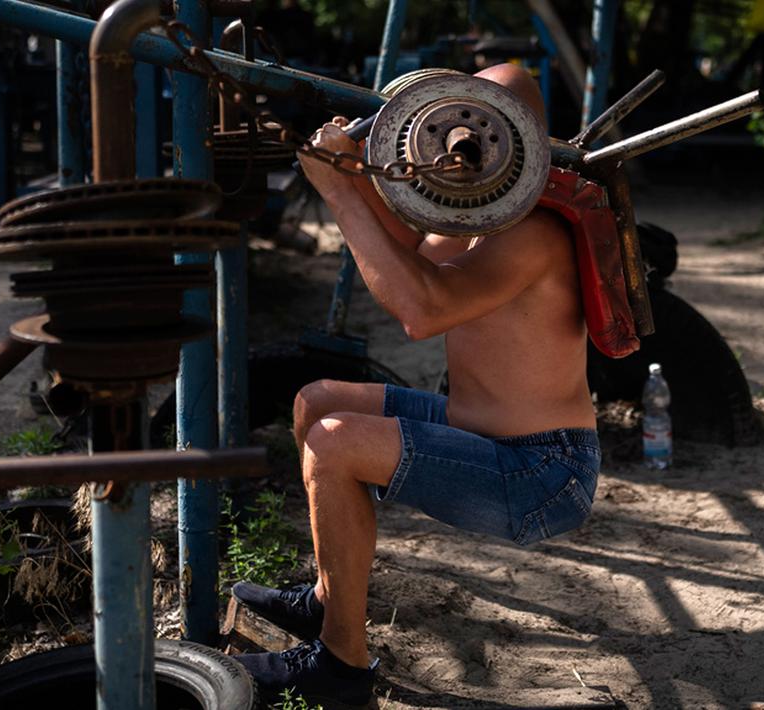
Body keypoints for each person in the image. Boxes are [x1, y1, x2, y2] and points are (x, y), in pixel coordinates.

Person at [233, 64, 601, 706]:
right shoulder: (482, 216)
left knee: (334, 443)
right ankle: (326, 599)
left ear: (516, 139)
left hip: (541, 472)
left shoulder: (533, 234)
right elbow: (404, 248)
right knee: (317, 402)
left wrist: (339, 192)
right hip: (480, 430)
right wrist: (352, 170)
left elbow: (421, 311)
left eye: (475, 132)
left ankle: (341, 668)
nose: (460, 148)